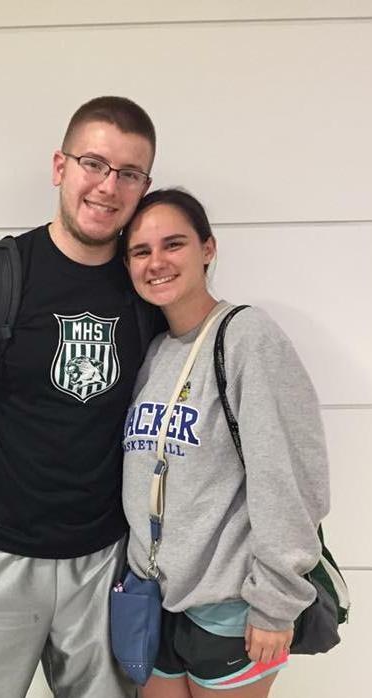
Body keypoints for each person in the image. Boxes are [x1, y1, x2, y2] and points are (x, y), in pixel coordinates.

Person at [0, 96, 165, 697]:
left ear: (143, 186)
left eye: (129, 174)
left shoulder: (145, 292)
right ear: (60, 167)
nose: (109, 187)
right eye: (94, 164)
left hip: (102, 564)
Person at [121, 188, 329, 697]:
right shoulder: (153, 351)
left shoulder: (246, 337)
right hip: (155, 600)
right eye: (141, 252)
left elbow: (289, 478)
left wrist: (276, 602)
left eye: (174, 245)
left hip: (231, 605)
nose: (157, 263)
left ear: (207, 249)